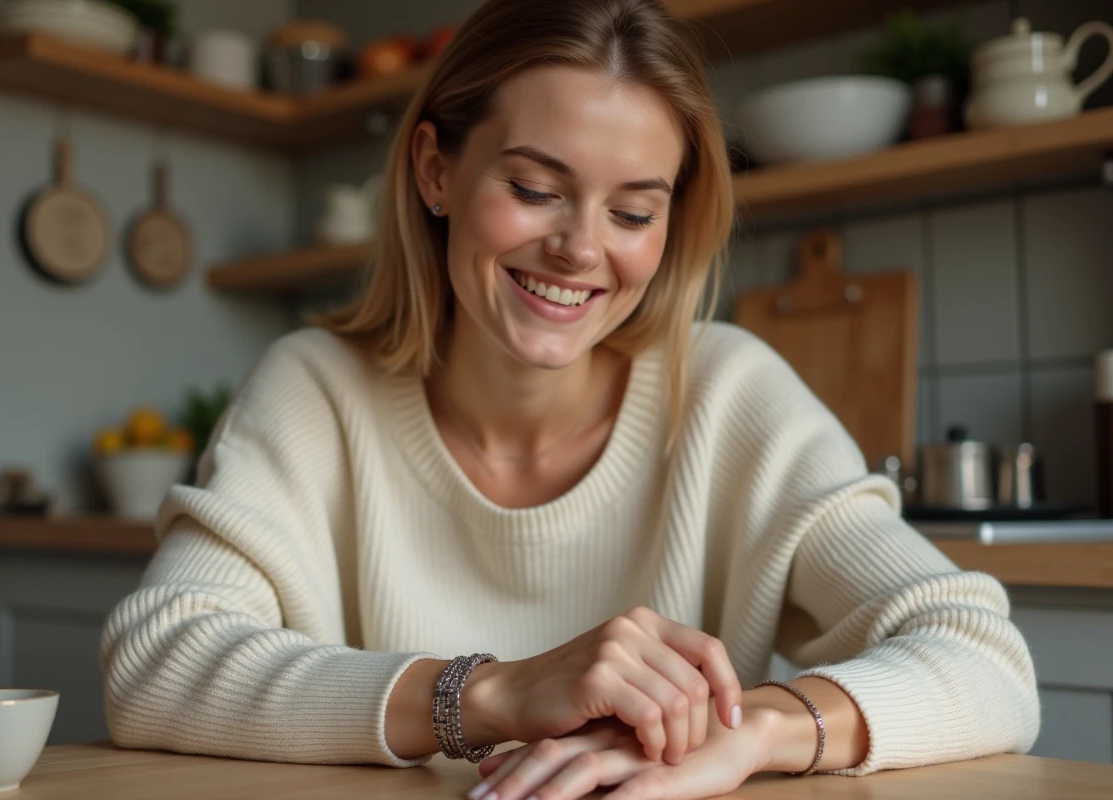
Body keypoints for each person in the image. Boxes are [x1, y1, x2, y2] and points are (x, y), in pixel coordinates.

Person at [100, 1, 1040, 798]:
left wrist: (752, 731)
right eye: (536, 187)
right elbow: (153, 665)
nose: (581, 249)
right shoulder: (313, 388)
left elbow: (985, 658)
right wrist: (494, 694)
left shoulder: (732, 393)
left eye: (633, 212)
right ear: (436, 170)